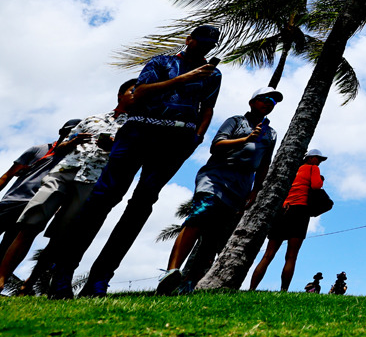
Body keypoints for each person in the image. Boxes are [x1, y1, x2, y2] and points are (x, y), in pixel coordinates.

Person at [47, 25, 223, 299]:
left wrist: (197, 138)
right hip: (138, 132)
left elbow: (208, 107)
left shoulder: (213, 74)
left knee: (141, 205)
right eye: (199, 42)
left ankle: (99, 280)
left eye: (209, 44)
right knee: (102, 199)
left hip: (176, 140)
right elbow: (139, 94)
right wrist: (184, 78)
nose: (204, 47)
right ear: (189, 40)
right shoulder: (161, 62)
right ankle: (62, 276)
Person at [0, 82, 135, 293]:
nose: (137, 95)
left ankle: (30, 283)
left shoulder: (134, 128)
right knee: (29, 226)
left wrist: (114, 147)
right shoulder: (92, 119)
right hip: (63, 173)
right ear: (120, 95)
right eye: (132, 91)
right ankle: (1, 278)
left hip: (91, 180)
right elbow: (61, 147)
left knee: (61, 237)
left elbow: (130, 158)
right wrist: (72, 143)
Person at [156, 86, 281, 296]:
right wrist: (246, 139)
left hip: (241, 185)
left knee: (214, 237)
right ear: (252, 102)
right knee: (199, 217)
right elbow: (217, 146)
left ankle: (189, 282)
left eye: (273, 101)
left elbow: (264, 165)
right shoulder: (235, 121)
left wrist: (256, 190)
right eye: (265, 98)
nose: (269, 102)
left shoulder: (271, 133)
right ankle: (171, 271)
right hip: (216, 176)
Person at [0, 118, 83, 260]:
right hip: (12, 201)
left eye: (74, 133)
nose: (70, 135)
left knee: (7, 250)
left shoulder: (76, 160)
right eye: (68, 132)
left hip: (35, 207)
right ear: (61, 132)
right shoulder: (39, 150)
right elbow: (8, 175)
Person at [249, 149, 327, 292]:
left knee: (268, 254)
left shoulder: (292, 169)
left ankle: (252, 288)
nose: (319, 162)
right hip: (300, 212)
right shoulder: (313, 168)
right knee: (291, 256)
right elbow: (316, 186)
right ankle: (284, 290)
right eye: (318, 159)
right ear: (311, 158)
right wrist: (320, 179)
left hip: (283, 210)